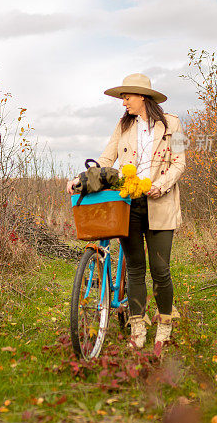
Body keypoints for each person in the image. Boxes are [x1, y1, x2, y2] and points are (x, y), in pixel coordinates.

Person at [67, 73, 186, 354]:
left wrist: (160, 185)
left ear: (142, 96)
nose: (124, 103)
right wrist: (81, 178)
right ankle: (138, 328)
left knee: (160, 269)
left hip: (161, 202)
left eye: (127, 97)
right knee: (134, 269)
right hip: (128, 204)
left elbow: (180, 163)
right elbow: (107, 159)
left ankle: (165, 326)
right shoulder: (123, 126)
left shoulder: (173, 124)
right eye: (123, 98)